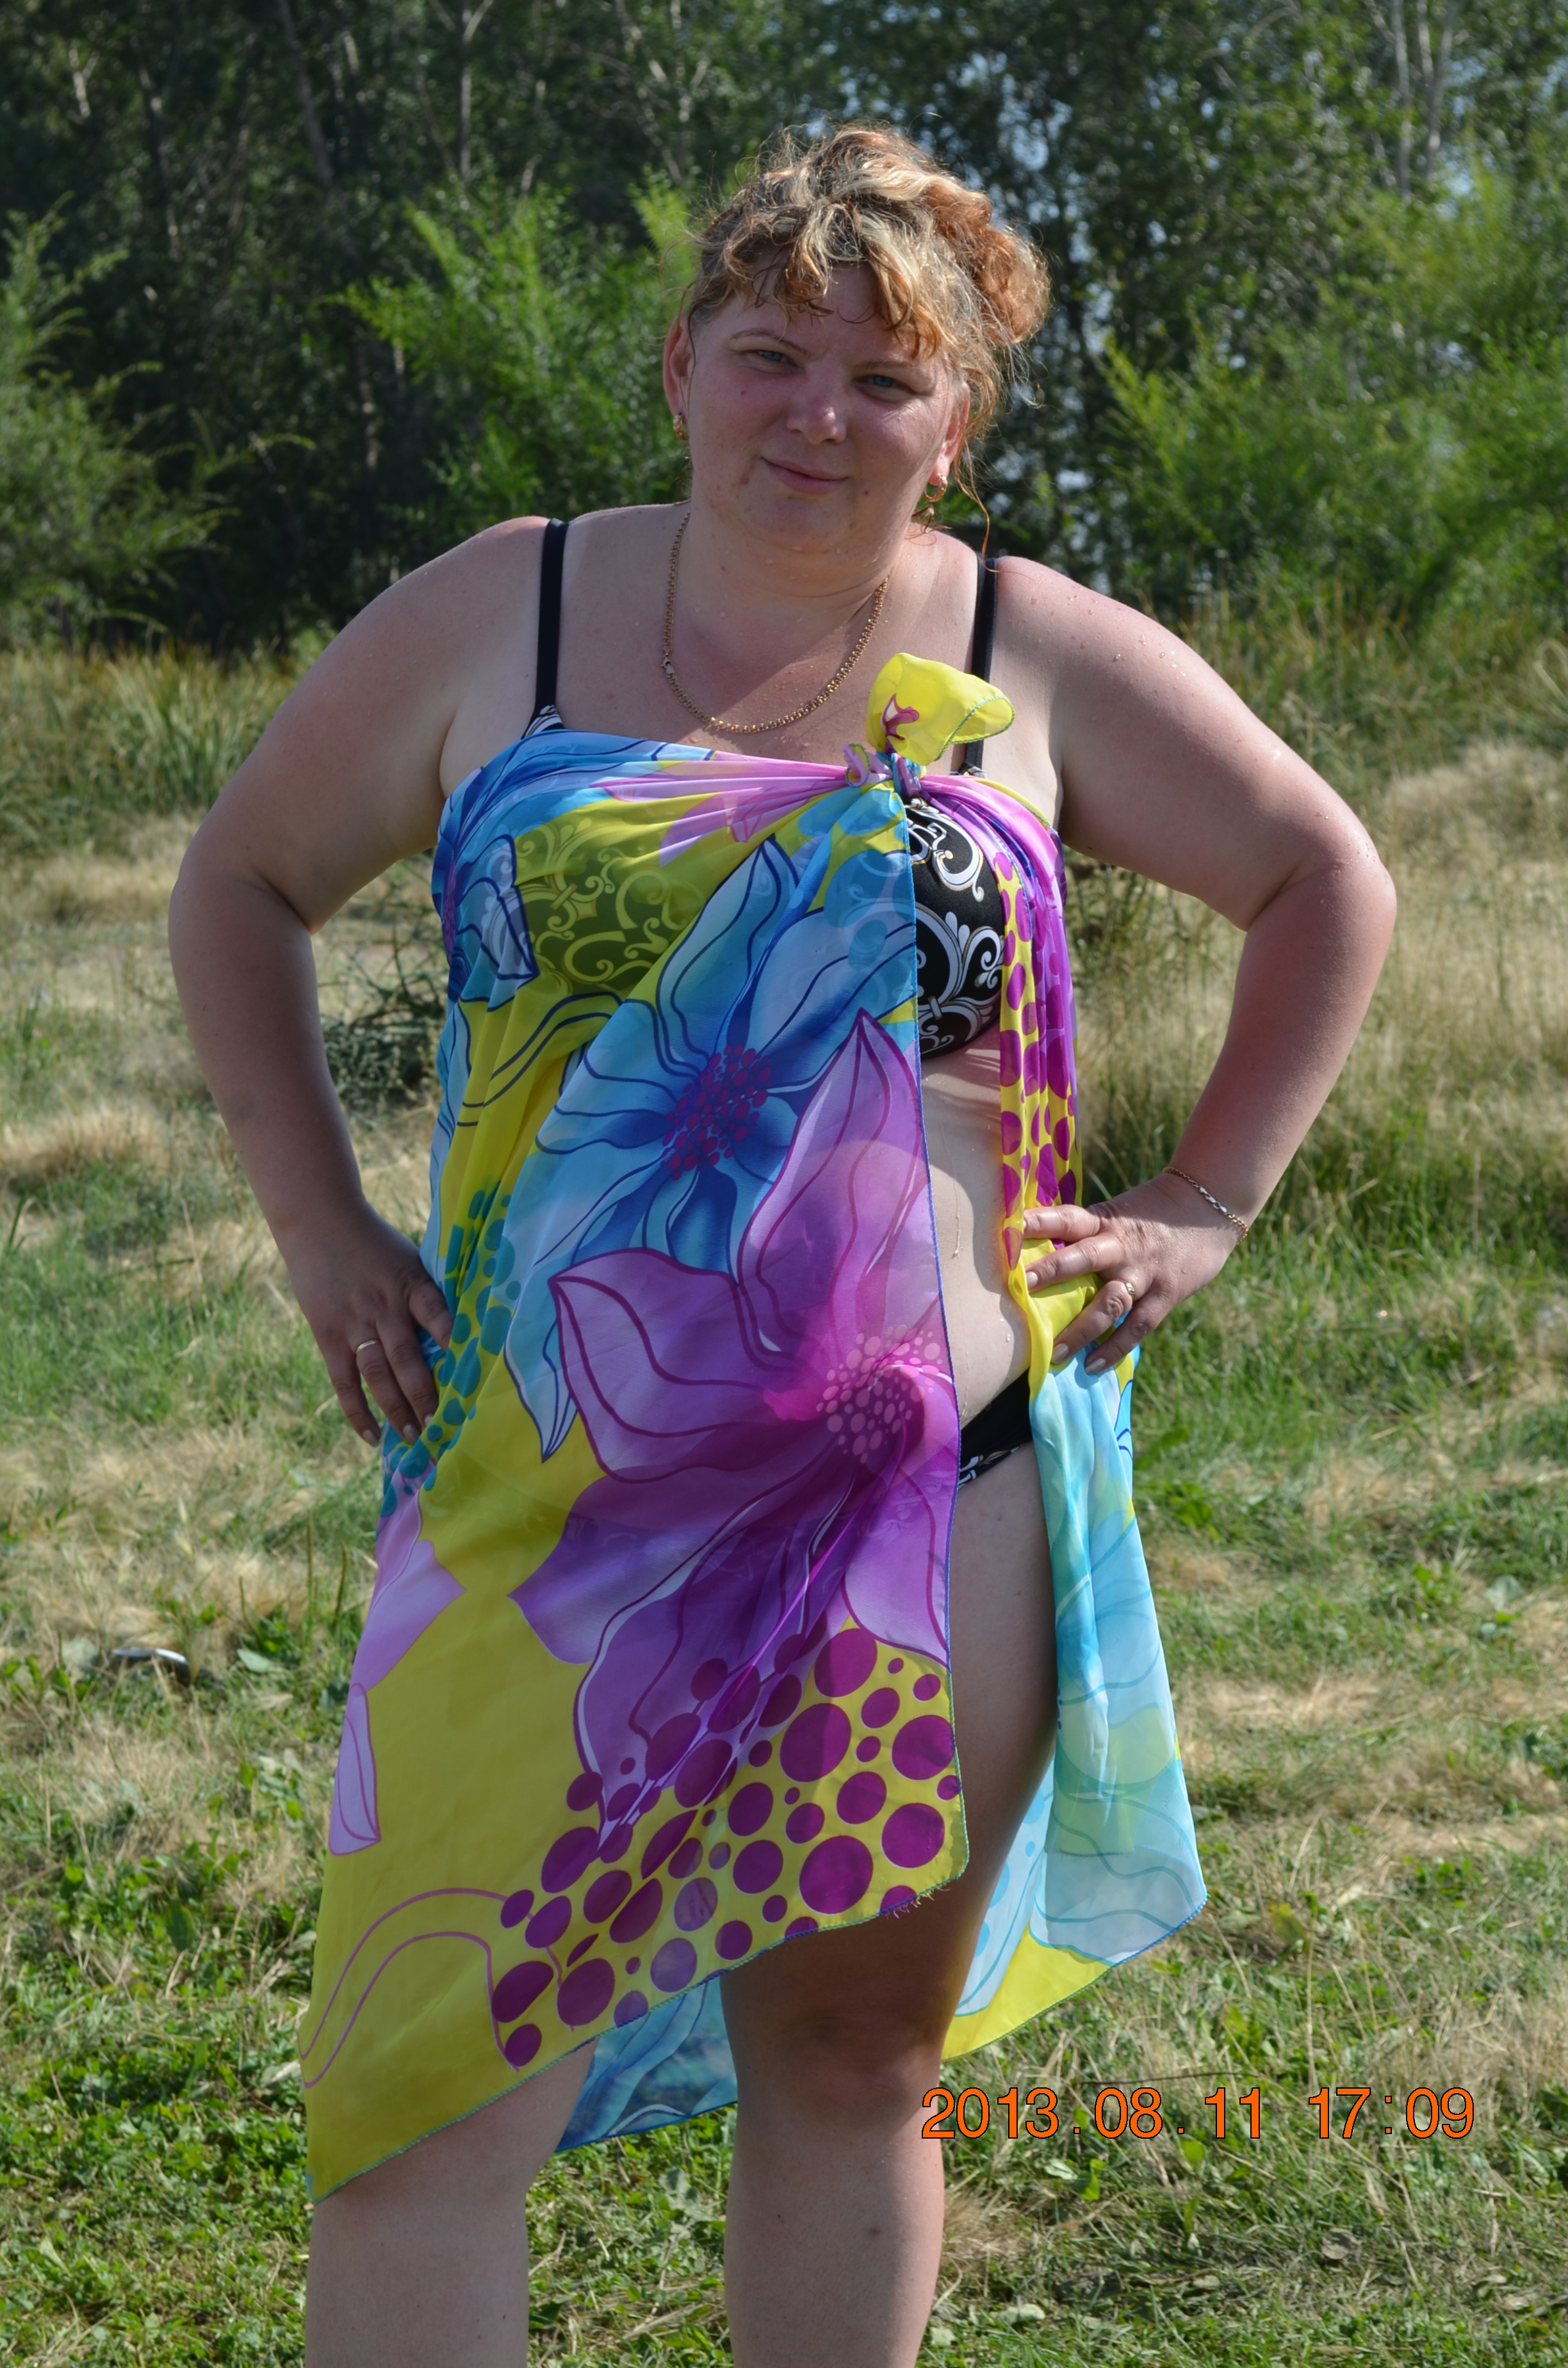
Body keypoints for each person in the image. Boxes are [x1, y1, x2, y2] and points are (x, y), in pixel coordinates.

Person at [169, 124, 1394, 2368]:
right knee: (419, 2104)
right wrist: (318, 1225)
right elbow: (240, 880)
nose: (818, 413)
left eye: (885, 378)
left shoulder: (1033, 647)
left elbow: (1326, 878)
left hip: (934, 1508)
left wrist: (1206, 1201)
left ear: (955, 425)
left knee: (851, 2072)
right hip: (543, 1508)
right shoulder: (509, 610)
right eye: (770, 354)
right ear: (680, 368)